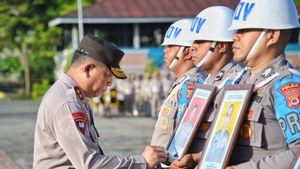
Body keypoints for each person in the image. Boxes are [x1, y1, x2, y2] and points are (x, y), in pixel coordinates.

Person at [33, 35, 167, 169]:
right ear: (88, 69)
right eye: (107, 75)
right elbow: (90, 165)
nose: (110, 83)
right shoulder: (68, 103)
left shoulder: (75, 96)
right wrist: (142, 162)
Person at [223, 0, 300, 168]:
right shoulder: (240, 80)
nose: (234, 36)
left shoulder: (286, 85)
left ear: (271, 35)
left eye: (243, 30)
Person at [169, 6, 241, 169]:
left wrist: (195, 158)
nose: (192, 47)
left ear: (222, 46)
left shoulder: (237, 83)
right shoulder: (207, 81)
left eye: (200, 41)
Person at [151, 19, 206, 148]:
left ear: (187, 52)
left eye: (170, 46)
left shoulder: (191, 84)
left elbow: (185, 135)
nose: (165, 50)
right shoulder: (183, 82)